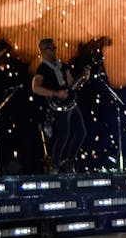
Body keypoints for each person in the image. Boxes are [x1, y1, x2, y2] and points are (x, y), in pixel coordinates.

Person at [31, 38, 91, 173]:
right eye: (51, 49)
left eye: (54, 48)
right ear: (43, 51)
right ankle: (55, 165)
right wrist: (55, 93)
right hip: (59, 106)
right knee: (64, 135)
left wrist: (84, 78)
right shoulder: (42, 68)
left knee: (81, 132)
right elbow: (35, 88)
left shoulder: (62, 65)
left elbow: (72, 84)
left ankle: (69, 161)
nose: (54, 51)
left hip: (71, 103)